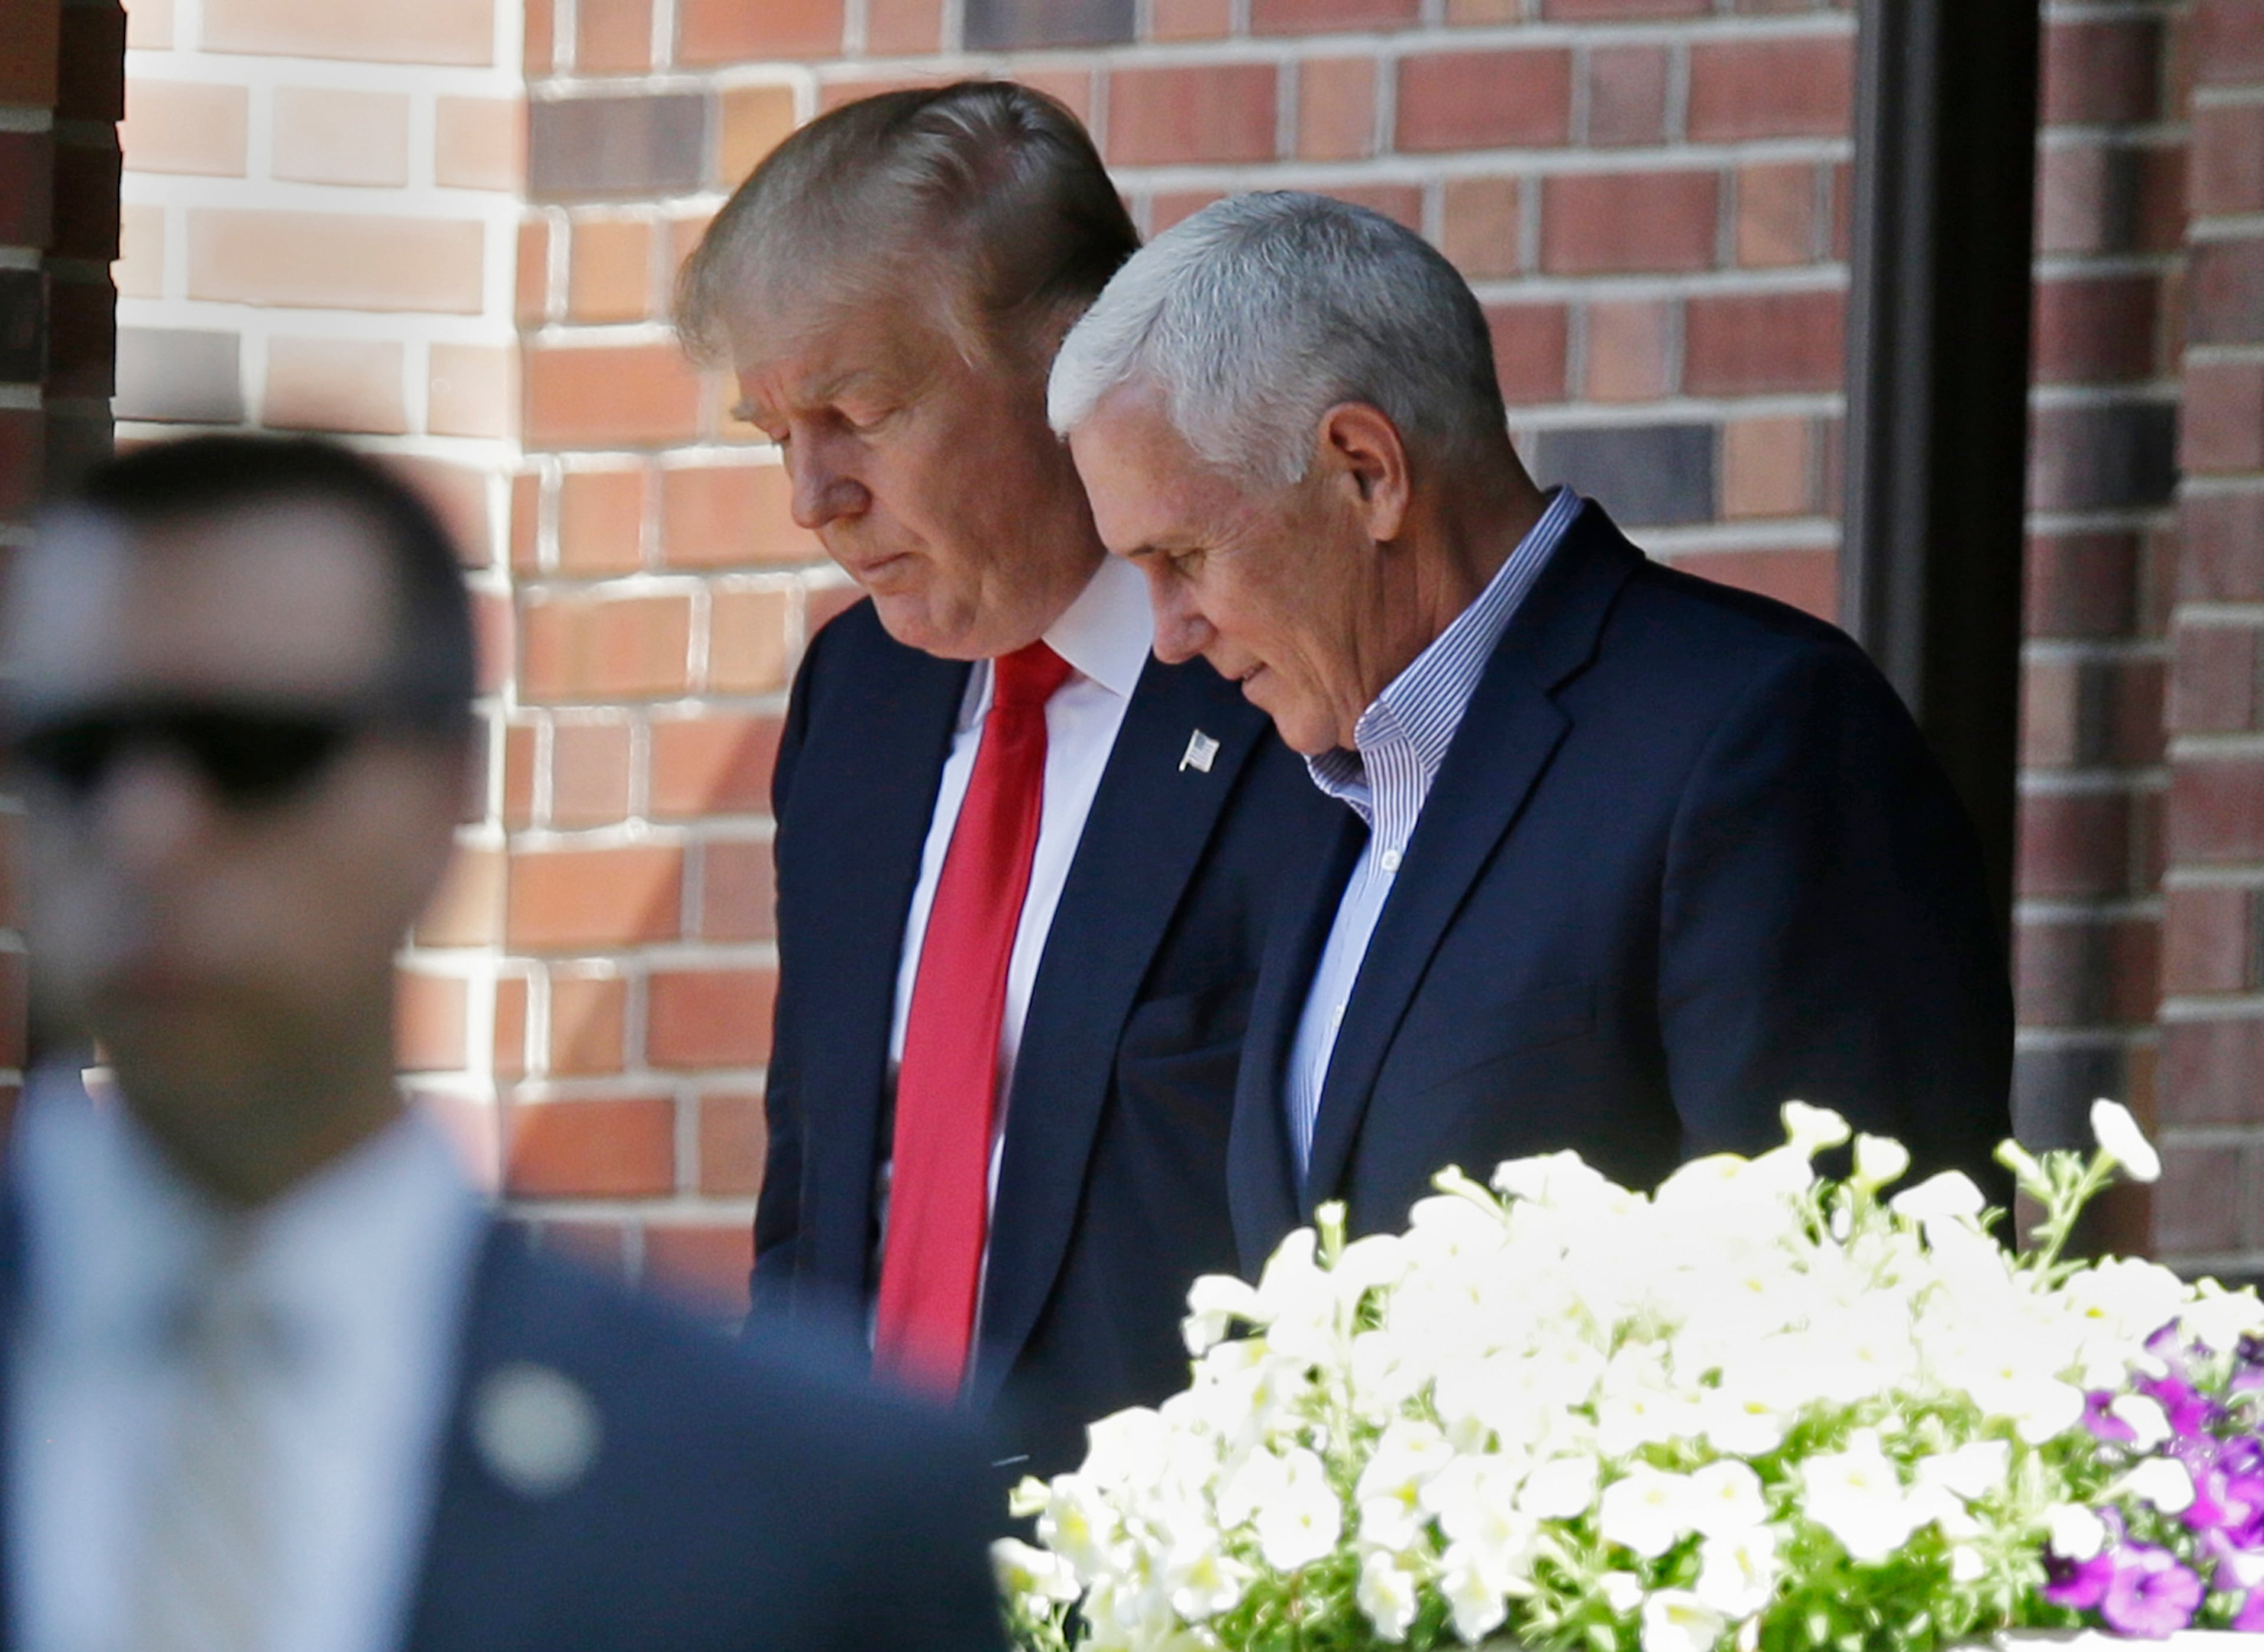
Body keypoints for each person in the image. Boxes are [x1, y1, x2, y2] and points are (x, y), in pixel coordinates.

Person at [1, 435, 1005, 1652]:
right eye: (74, 756)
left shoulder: (807, 1497)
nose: (148, 830)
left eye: (253, 750)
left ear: (445, 787)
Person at [1048, 192, 2016, 1269]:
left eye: (1183, 557)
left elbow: (1869, 1292)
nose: (1170, 635)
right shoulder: (1326, 781)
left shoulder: (1759, 739)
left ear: (1366, 471)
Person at [674, 83, 1336, 1475]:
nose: (812, 496)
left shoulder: (1287, 678)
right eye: (772, 432)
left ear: (1068, 366)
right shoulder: (854, 695)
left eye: (857, 409)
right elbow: (821, 1192)